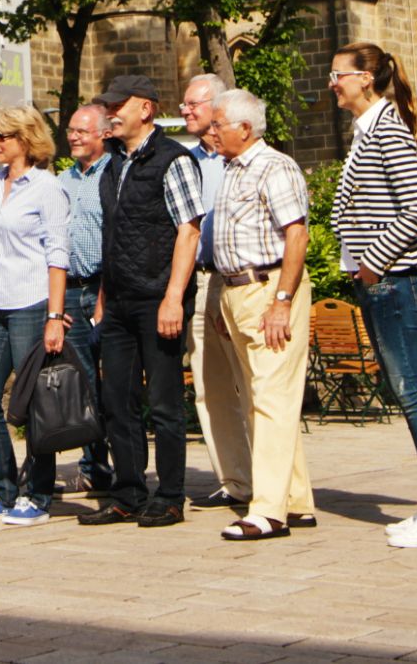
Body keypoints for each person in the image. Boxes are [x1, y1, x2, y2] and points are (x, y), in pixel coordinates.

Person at [329, 42, 417, 548]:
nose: (332, 83)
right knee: (408, 393)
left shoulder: (388, 129)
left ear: (365, 78)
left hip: (393, 280)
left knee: (414, 394)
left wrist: (371, 263)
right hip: (381, 282)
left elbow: (415, 210)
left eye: (338, 74)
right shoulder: (370, 131)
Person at [78, 75, 206, 529]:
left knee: (166, 402)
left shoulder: (174, 160)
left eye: (119, 104)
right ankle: (128, 492)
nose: (111, 112)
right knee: (117, 399)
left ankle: (170, 496)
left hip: (158, 299)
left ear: (146, 109)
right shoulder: (113, 164)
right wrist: (102, 297)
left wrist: (174, 298)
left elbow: (189, 231)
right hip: (118, 303)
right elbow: (113, 235)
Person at [204, 90, 318, 541]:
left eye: (218, 125)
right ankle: (295, 500)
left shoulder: (276, 167)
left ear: (245, 129)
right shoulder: (231, 170)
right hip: (236, 291)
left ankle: (268, 512)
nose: (211, 132)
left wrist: (282, 300)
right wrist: (219, 302)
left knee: (271, 397)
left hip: (270, 288)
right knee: (261, 399)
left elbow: (297, 235)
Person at [0, 105, 71, 526]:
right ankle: (2, 490)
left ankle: (37, 495)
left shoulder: (47, 188)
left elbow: (58, 255)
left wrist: (55, 316)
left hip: (31, 305)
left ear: (26, 139)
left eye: (3, 137)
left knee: (35, 403)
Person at [178, 73, 253, 513]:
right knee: (210, 388)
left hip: (241, 279)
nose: (185, 110)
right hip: (201, 280)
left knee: (252, 383)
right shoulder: (186, 160)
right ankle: (235, 481)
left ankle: (269, 476)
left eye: (192, 103)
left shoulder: (246, 157)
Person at [56, 103, 114, 497]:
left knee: (113, 383)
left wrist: (103, 302)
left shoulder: (114, 176)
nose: (73, 136)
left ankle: (123, 464)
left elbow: (116, 242)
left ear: (104, 134)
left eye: (82, 130)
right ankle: (93, 466)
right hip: (70, 290)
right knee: (83, 384)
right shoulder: (61, 181)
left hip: (103, 289)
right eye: (71, 130)